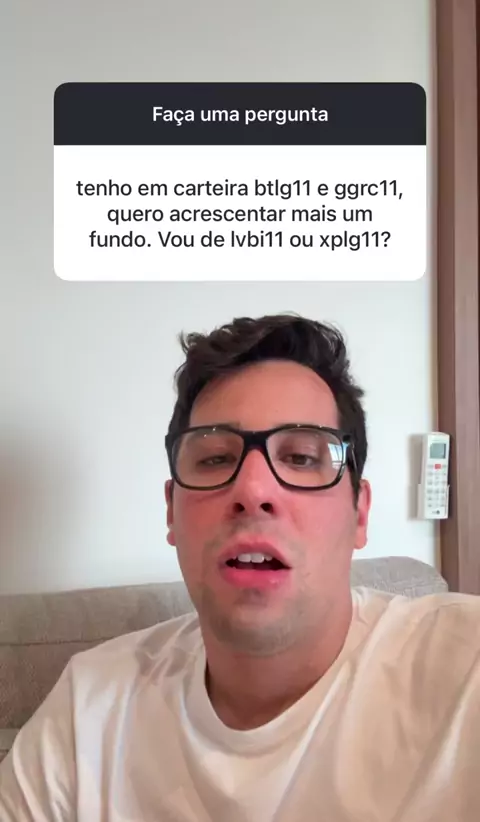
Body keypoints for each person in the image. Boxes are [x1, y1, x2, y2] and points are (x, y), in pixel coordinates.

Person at [1, 313, 479, 822]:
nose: (252, 490)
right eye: (214, 459)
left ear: (359, 514)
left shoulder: (464, 673)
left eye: (301, 458)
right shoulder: (87, 711)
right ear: (171, 512)